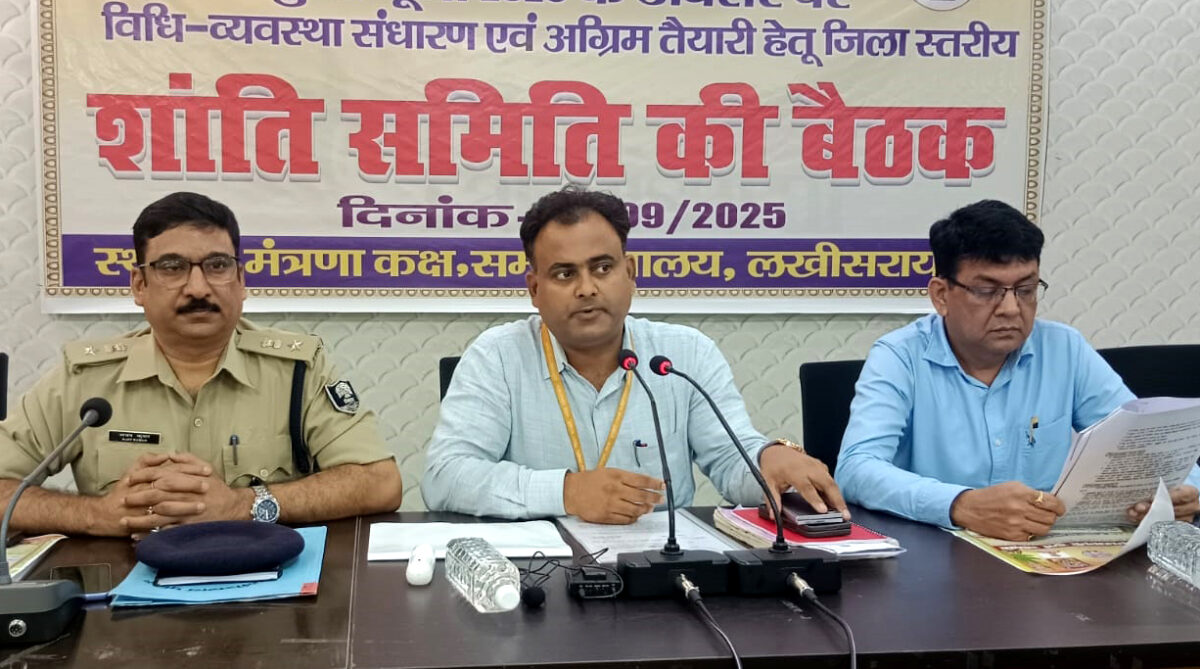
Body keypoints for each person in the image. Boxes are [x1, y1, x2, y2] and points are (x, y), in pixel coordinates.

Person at [422, 188, 846, 523]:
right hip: (538, 574)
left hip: (664, 572)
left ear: (630, 273)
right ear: (534, 289)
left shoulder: (685, 354)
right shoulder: (497, 357)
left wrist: (769, 459)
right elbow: (445, 477)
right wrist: (567, 492)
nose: (587, 288)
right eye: (565, 274)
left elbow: (730, 459)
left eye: (602, 268)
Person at [0, 192, 403, 538]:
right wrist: (97, 515)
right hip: (122, 586)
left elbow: (379, 483)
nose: (198, 288)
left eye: (217, 266)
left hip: (269, 583)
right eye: (172, 267)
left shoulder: (297, 368)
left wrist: (244, 505)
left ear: (241, 280)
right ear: (139, 285)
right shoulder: (86, 378)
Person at [835, 200, 1200, 541]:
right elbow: (856, 469)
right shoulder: (899, 356)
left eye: (1025, 289)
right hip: (934, 554)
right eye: (987, 290)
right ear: (941, 295)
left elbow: (1145, 444)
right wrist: (961, 504)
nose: (1011, 308)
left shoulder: (1064, 349)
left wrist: (1185, 490)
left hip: (1046, 554)